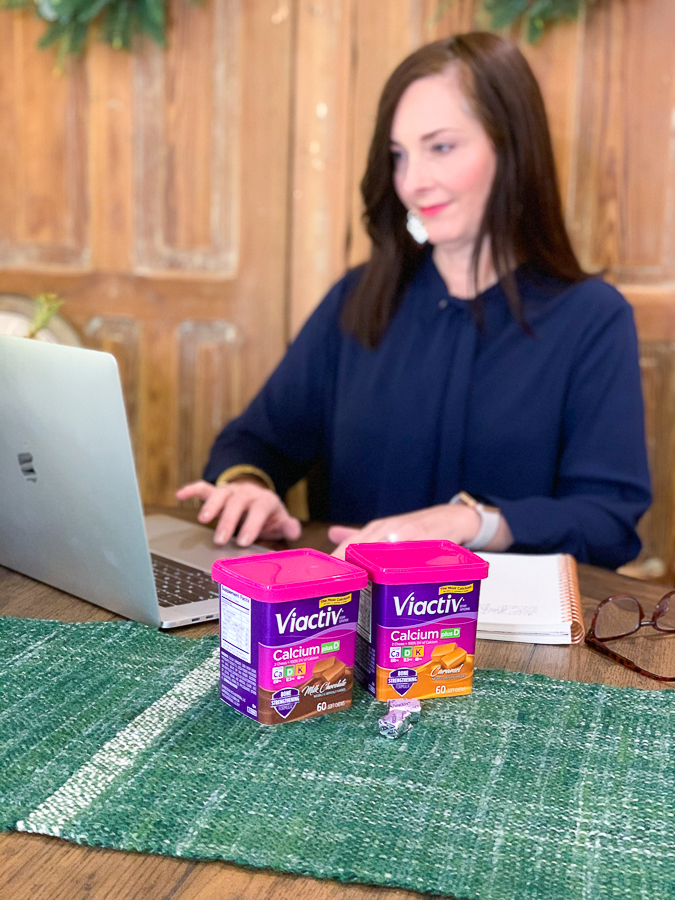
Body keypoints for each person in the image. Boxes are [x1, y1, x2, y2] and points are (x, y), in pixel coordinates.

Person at [177, 32, 651, 569]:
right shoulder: (356, 298)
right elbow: (256, 441)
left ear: (512, 147)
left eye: (441, 148)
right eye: (399, 156)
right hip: (350, 627)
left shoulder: (593, 317)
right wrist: (248, 490)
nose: (413, 181)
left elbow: (607, 520)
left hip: (502, 637)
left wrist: (473, 523)